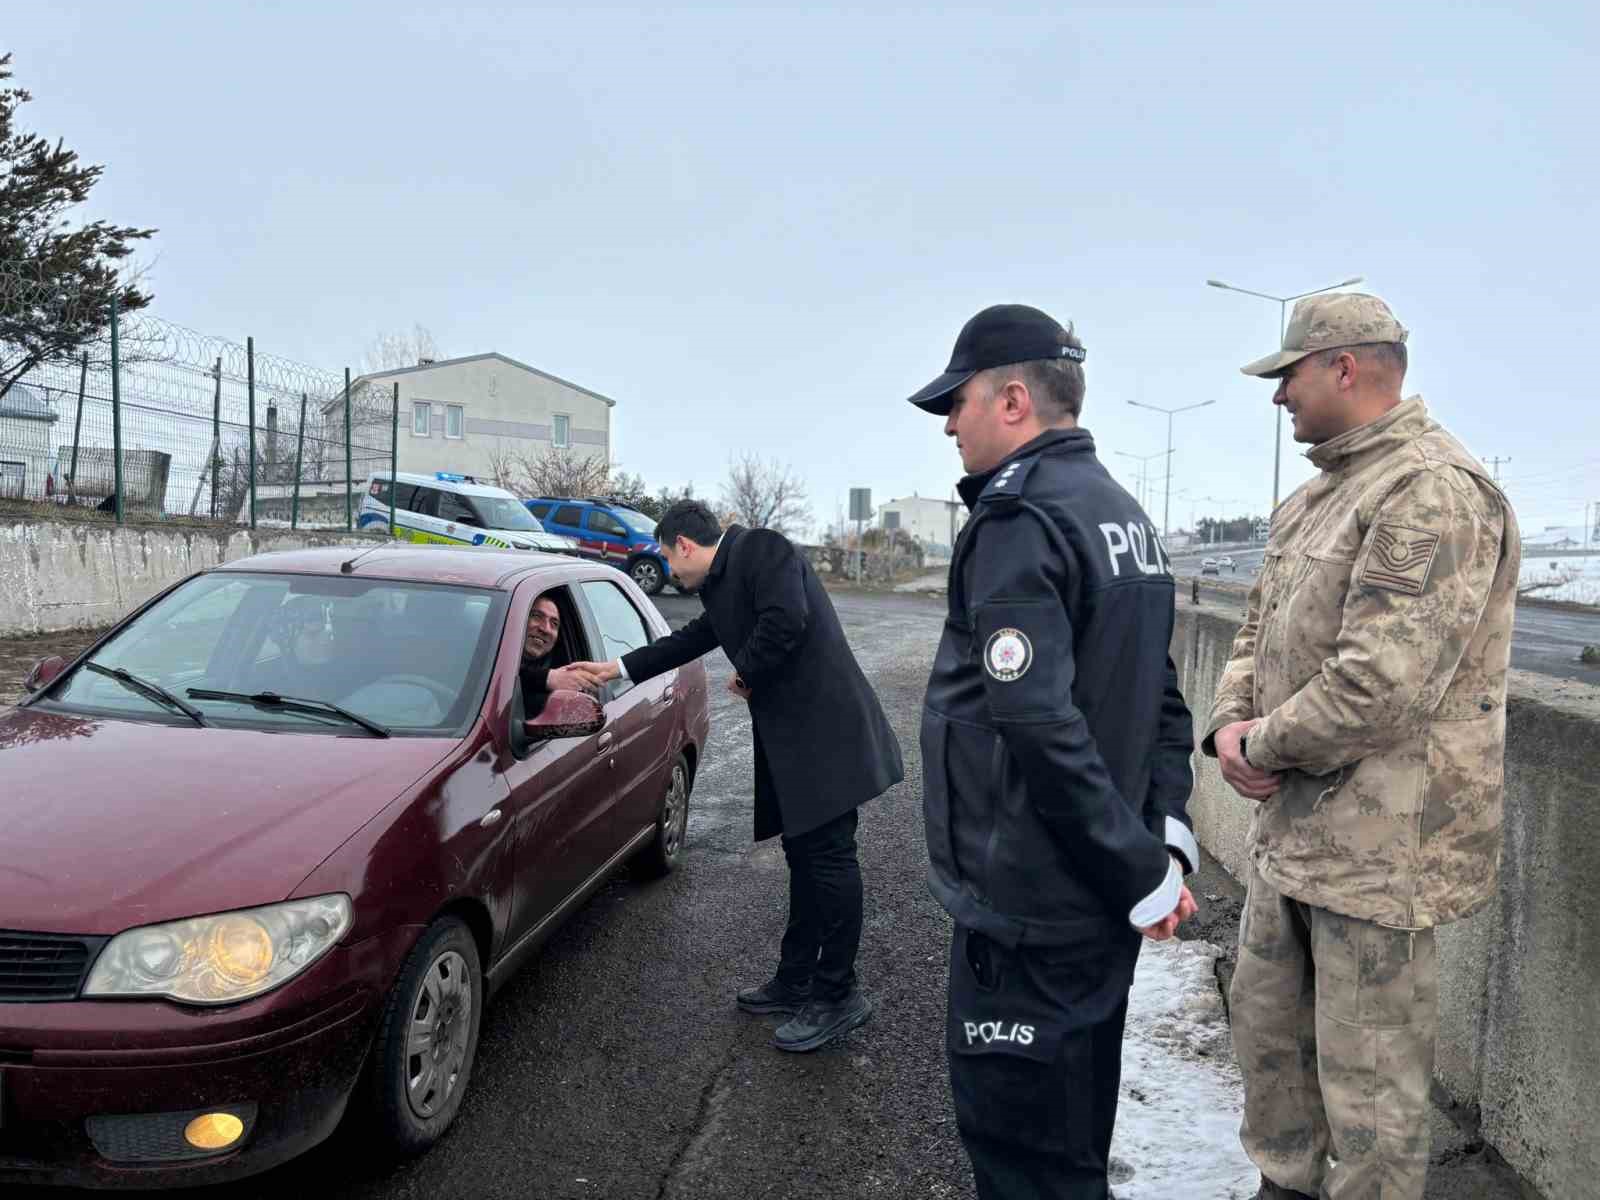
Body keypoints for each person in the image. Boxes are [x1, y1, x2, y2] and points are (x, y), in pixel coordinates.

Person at [1204, 293, 1520, 1200]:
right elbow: (1256, 631)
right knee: (1270, 1050)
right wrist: (1227, 724)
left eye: (1288, 376)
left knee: (1370, 1095)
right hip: (1295, 836)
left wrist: (1260, 743)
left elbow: (1381, 685)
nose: (1279, 396)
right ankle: (1283, 1187)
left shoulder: (1430, 491)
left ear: (1344, 367)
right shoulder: (1317, 496)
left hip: (1380, 857)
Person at [906, 303, 1200, 1200]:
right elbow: (1161, 696)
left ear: (1014, 401)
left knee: (1022, 1157)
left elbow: (1035, 722)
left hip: (1031, 910)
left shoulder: (1021, 517)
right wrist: (1164, 841)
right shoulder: (1122, 514)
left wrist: (1139, 871)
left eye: (957, 403)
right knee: (1072, 1143)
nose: (949, 426)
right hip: (1095, 908)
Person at [571, 500, 903, 1052]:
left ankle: (839, 994)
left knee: (830, 861)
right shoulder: (721, 583)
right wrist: (620, 668)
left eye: (668, 557)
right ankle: (797, 979)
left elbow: (786, 619)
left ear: (684, 545)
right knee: (804, 857)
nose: (669, 570)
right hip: (796, 742)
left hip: (827, 737)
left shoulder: (762, 549)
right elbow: (694, 637)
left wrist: (747, 671)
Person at [519, 593, 600, 705]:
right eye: (537, 616)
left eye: (554, 623)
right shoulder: (492, 653)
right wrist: (547, 679)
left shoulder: (565, 674)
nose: (546, 629)